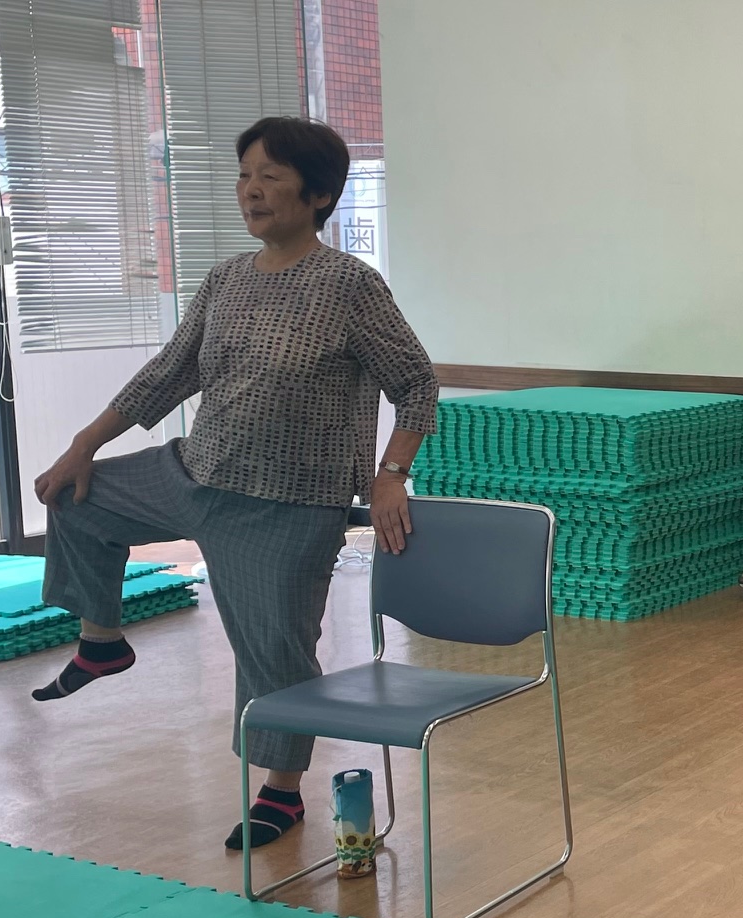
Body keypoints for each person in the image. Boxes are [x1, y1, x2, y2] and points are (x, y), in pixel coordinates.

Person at [30, 117, 438, 851]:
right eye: (245, 175)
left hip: (288, 504)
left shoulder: (348, 284)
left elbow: (415, 384)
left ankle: (281, 793)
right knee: (75, 499)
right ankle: (102, 640)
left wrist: (390, 475)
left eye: (270, 176)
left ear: (318, 195)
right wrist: (83, 446)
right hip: (195, 470)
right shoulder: (225, 278)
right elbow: (169, 372)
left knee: (273, 652)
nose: (251, 189)